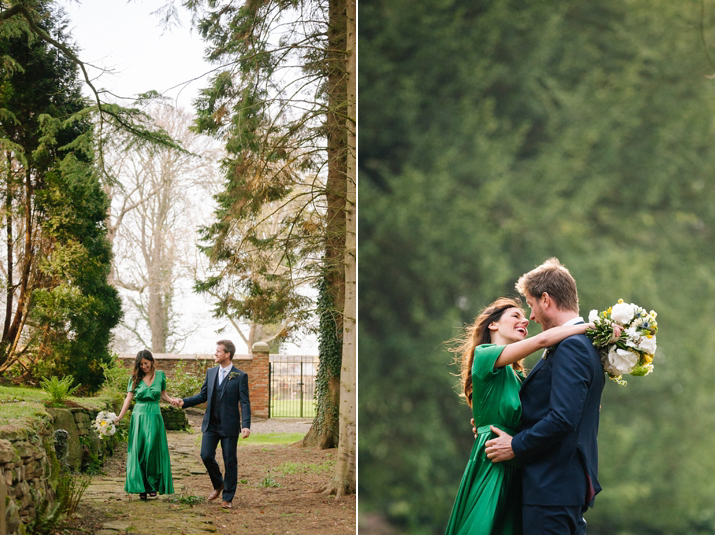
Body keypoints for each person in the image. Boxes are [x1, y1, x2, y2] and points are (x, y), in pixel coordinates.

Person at [445, 297, 592, 535]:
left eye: (524, 316)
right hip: (494, 462)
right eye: (515, 315)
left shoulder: (519, 377)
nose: (525, 320)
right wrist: (587, 328)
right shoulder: (484, 355)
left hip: (518, 461)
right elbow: (543, 339)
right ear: (493, 324)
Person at [484, 258, 605, 535]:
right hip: (562, 488)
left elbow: (563, 418)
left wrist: (516, 445)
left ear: (546, 299)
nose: (533, 316)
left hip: (552, 487)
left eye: (531, 304)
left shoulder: (572, 346)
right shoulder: (583, 344)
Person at [173, 340, 251, 509]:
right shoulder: (211, 373)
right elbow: (203, 396)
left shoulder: (240, 376)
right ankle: (219, 484)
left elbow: (244, 402)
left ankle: (227, 498)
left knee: (230, 461)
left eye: (218, 351)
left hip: (229, 426)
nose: (215, 354)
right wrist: (183, 402)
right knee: (206, 455)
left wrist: (245, 425)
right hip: (211, 425)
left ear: (227, 354)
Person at [114, 349, 179, 500]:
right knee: (140, 450)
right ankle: (140, 487)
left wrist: (172, 400)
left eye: (146, 363)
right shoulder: (135, 378)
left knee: (153, 450)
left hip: (155, 416)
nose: (143, 366)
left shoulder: (161, 375)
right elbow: (128, 398)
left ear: (152, 361)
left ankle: (152, 485)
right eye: (141, 364)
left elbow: (163, 394)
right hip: (139, 417)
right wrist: (119, 416)